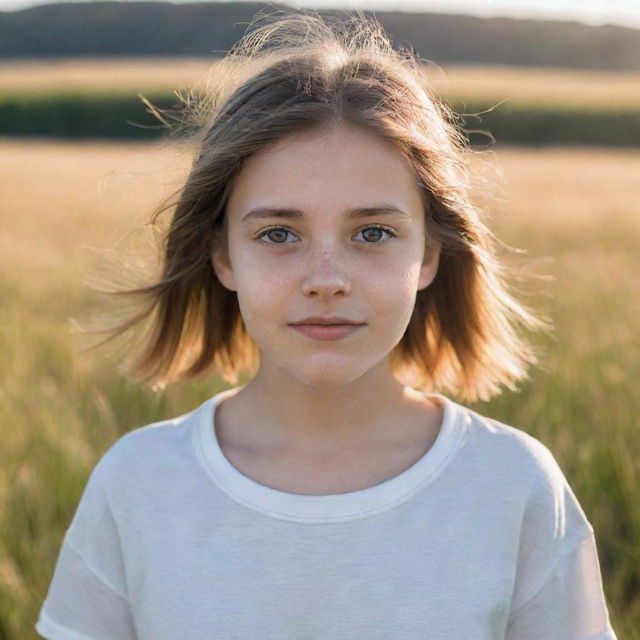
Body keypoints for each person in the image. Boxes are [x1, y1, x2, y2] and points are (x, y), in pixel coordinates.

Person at [35, 10, 618, 640]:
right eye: (279, 233)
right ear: (223, 255)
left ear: (427, 256)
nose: (326, 277)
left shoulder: (512, 485)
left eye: (373, 232)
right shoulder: (139, 484)